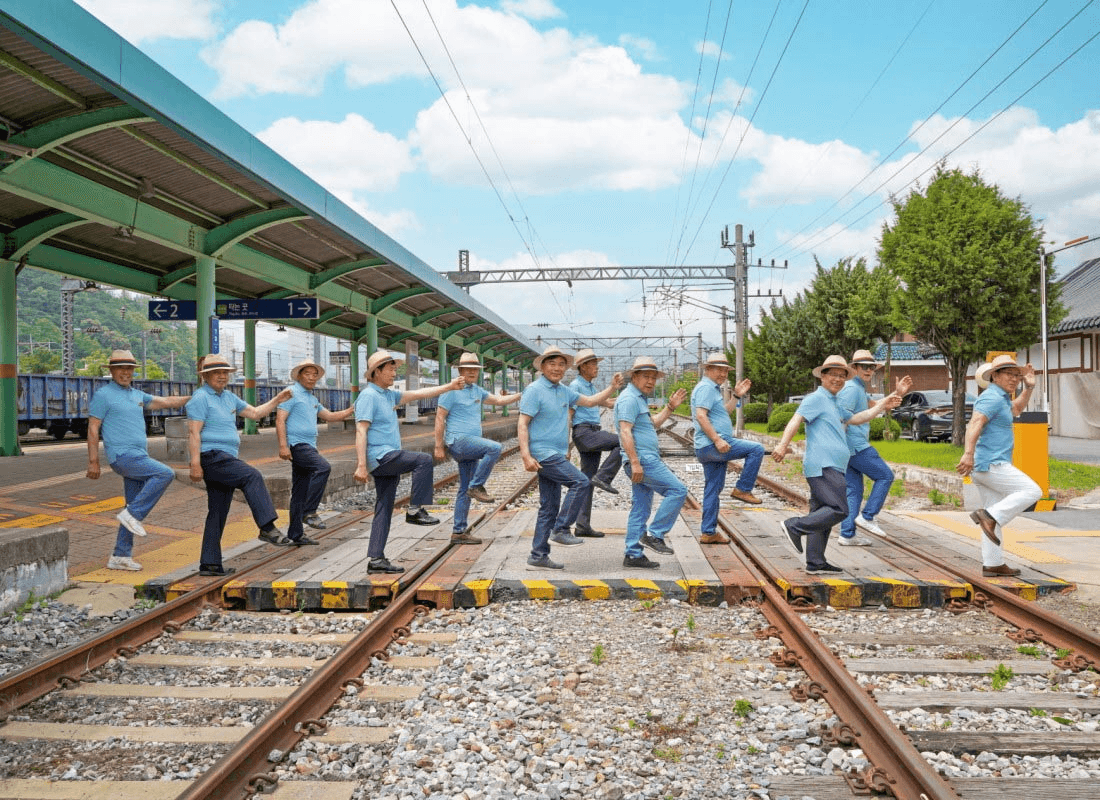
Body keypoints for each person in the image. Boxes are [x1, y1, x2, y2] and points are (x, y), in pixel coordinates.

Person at [772, 355, 901, 574]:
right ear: (823, 376)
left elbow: (858, 418)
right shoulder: (815, 398)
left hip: (834, 465)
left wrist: (882, 405)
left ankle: (815, 562)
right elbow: (796, 420)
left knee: (821, 511)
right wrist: (783, 445)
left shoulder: (834, 401)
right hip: (822, 464)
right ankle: (794, 526)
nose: (838, 379)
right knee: (840, 509)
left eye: (842, 376)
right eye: (833, 375)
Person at [353, 350, 465, 573]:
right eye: (391, 369)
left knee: (384, 507)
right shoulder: (368, 396)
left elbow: (418, 393)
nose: (395, 373)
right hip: (380, 456)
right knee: (423, 460)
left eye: (395, 369)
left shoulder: (387, 395)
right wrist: (361, 465)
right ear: (376, 372)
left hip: (388, 454)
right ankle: (415, 510)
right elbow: (360, 430)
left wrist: (449, 386)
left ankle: (376, 560)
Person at [186, 354, 294, 577]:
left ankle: (210, 564)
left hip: (225, 457)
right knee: (251, 476)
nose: (222, 376)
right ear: (206, 376)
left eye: (225, 373)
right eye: (217, 373)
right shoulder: (200, 398)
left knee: (217, 512)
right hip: (212, 456)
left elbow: (254, 414)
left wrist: (277, 400)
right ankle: (266, 527)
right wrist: (194, 464)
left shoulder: (229, 397)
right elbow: (193, 432)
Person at [86, 349, 190, 571]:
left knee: (130, 506)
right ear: (112, 371)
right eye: (121, 368)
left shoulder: (137, 395)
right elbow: (93, 428)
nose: (126, 372)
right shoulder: (103, 395)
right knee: (164, 473)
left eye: (129, 369)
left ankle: (120, 556)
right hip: (122, 456)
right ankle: (133, 515)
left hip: (139, 455)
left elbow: (166, 402)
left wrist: (194, 398)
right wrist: (93, 461)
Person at [518, 345, 620, 570]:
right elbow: (523, 423)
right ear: (543, 366)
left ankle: (538, 555)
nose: (557, 368)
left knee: (549, 507)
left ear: (566, 368)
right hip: (543, 454)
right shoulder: (534, 390)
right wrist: (526, 455)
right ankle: (562, 529)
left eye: (561, 364)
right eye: (552, 364)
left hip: (555, 452)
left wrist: (612, 387)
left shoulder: (564, 390)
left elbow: (591, 402)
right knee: (581, 481)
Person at [955, 354, 1041, 577]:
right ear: (994, 376)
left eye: (1016, 375)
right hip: (991, 464)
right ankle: (989, 517)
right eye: (1008, 374)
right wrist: (968, 453)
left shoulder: (1001, 398)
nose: (1014, 379)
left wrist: (1029, 388)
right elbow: (975, 422)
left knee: (993, 517)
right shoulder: (991, 398)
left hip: (987, 465)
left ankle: (993, 563)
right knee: (1032, 491)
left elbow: (1017, 409)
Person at [434, 352, 522, 544]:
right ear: (460, 371)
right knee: (495, 448)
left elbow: (499, 401)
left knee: (464, 489)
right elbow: (440, 417)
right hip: (458, 441)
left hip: (470, 444)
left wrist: (522, 394)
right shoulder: (451, 391)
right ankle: (477, 486)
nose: (473, 372)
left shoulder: (477, 391)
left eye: (475, 369)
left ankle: (458, 532)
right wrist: (438, 446)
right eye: (469, 369)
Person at [616, 357, 687, 569]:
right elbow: (625, 431)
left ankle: (633, 554)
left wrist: (670, 408)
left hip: (644, 459)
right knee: (678, 490)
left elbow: (652, 424)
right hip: (643, 459)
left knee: (640, 508)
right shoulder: (629, 399)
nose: (650, 381)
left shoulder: (639, 399)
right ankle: (655, 535)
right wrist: (635, 462)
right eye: (646, 376)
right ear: (634, 376)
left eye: (653, 378)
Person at [836, 350, 913, 546]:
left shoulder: (858, 388)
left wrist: (897, 394)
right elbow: (840, 416)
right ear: (854, 369)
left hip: (849, 449)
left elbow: (874, 405)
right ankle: (868, 516)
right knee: (885, 476)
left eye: (871, 367)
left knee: (853, 490)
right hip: (856, 446)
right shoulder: (852, 389)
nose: (868, 370)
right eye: (864, 366)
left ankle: (847, 534)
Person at [276, 359, 355, 545]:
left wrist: (352, 410)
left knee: (299, 491)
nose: (311, 377)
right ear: (299, 375)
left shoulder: (312, 398)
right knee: (323, 467)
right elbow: (280, 420)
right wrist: (282, 446)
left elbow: (330, 416)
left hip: (309, 446)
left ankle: (296, 534)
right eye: (307, 374)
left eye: (314, 374)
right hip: (298, 445)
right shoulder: (291, 393)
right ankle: (310, 511)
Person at [691, 351, 766, 545]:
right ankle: (743, 489)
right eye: (719, 370)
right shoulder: (706, 388)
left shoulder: (712, 389)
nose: (723, 375)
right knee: (756, 449)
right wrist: (717, 440)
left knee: (713, 489)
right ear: (707, 369)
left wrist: (736, 396)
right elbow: (701, 416)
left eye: (725, 371)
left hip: (707, 446)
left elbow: (723, 413)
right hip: (713, 444)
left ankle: (708, 532)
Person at [561, 348, 623, 539]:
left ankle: (582, 525)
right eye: (594, 364)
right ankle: (604, 476)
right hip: (585, 433)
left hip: (592, 431)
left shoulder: (590, 386)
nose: (597, 368)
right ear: (583, 366)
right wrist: (566, 446)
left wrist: (628, 398)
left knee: (586, 481)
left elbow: (608, 403)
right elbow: (568, 416)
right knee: (623, 442)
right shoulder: (575, 385)